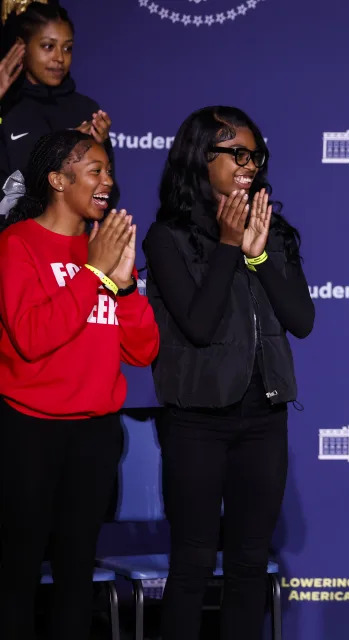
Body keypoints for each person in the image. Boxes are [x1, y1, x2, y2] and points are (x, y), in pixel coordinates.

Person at [143, 105, 314, 639]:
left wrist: (258, 257)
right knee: (193, 563)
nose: (249, 163)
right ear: (201, 156)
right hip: (197, 421)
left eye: (254, 154)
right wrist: (226, 245)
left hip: (263, 418)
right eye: (236, 152)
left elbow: (301, 320)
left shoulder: (275, 232)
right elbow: (198, 324)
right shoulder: (166, 237)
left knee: (247, 564)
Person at [0, 129, 159, 639]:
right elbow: (30, 337)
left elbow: (142, 350)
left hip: (94, 435)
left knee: (76, 577)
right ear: (56, 180)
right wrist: (92, 272)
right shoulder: (17, 244)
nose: (107, 181)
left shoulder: (105, 248)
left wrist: (127, 283)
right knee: (18, 573)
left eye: (109, 171)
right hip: (29, 433)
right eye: (95, 170)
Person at [0, 3, 116, 205]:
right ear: (21, 47)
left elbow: (106, 198)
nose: (60, 58)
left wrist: (102, 146)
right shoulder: (7, 106)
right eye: (48, 46)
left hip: (74, 235)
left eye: (67, 48)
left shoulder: (86, 109)